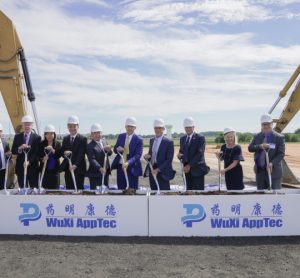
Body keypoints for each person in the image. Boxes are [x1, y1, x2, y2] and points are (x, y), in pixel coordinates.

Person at [248, 114, 285, 190]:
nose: (266, 126)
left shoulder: (279, 137)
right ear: (261, 125)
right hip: (260, 172)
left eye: (268, 124)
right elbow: (250, 148)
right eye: (264, 124)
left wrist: (272, 163)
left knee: (275, 196)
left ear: (272, 124)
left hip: (274, 172)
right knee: (261, 196)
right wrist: (260, 146)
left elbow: (281, 154)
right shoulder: (257, 136)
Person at [111, 117, 143, 190]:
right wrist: (117, 149)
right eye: (128, 126)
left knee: (132, 190)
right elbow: (115, 149)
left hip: (132, 169)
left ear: (135, 127)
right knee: (121, 190)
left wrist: (128, 163)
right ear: (125, 127)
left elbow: (138, 155)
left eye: (132, 126)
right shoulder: (121, 136)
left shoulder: (139, 140)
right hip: (121, 168)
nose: (129, 128)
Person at [144, 118, 175, 190]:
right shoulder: (152, 140)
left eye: (159, 128)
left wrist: (158, 170)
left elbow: (169, 160)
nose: (157, 130)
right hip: (152, 170)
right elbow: (150, 154)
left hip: (163, 172)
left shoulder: (168, 142)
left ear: (163, 129)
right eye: (156, 128)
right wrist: (146, 156)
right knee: (153, 192)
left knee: (164, 194)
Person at [177, 117, 208, 190]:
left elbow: (199, 153)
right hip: (186, 171)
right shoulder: (182, 139)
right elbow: (181, 152)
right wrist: (179, 155)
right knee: (188, 192)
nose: (187, 129)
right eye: (186, 127)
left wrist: (189, 165)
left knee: (198, 193)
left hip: (197, 170)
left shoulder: (200, 138)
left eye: (189, 127)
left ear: (193, 127)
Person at [11, 115, 41, 188]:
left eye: (29, 124)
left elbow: (36, 153)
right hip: (20, 168)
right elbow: (13, 150)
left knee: (34, 189)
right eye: (25, 124)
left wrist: (29, 162)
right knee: (22, 189)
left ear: (32, 125)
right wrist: (20, 148)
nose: (27, 126)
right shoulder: (17, 136)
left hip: (33, 168)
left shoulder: (37, 137)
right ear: (22, 125)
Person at [60, 115, 87, 190]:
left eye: (74, 126)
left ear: (78, 126)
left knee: (79, 189)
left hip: (79, 169)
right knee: (69, 189)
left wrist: (75, 165)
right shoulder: (65, 139)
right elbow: (62, 152)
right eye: (70, 126)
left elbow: (81, 154)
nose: (72, 128)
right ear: (68, 127)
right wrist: (65, 152)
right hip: (68, 169)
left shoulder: (83, 139)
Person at [86, 123, 112, 189]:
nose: (97, 135)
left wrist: (109, 150)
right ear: (91, 134)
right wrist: (100, 168)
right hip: (95, 174)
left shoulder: (105, 141)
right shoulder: (90, 146)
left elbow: (109, 154)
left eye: (99, 132)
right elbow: (92, 159)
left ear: (101, 133)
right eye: (95, 133)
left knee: (105, 192)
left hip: (105, 173)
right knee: (95, 194)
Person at [39, 125, 62, 189]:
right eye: (47, 134)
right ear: (45, 135)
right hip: (44, 172)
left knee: (55, 190)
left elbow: (59, 155)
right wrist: (43, 159)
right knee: (44, 190)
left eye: (51, 134)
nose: (49, 136)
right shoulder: (41, 144)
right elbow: (38, 155)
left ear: (54, 135)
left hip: (55, 172)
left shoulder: (57, 144)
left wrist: (52, 150)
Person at [0, 123, 11, 189]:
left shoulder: (5, 143)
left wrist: (9, 155)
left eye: (0, 131)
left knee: (2, 188)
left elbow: (9, 156)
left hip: (3, 170)